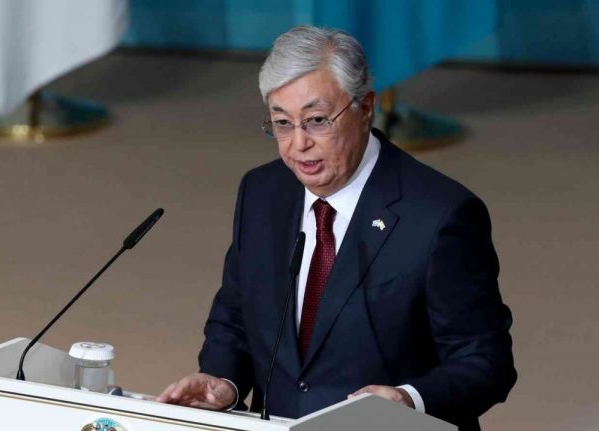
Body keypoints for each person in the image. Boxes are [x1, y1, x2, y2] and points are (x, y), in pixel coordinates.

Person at [157, 25, 516, 430]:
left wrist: (407, 399)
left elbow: (485, 362)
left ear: (365, 109)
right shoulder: (262, 192)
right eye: (282, 123)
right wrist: (225, 380)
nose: (298, 144)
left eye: (316, 120)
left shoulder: (441, 214)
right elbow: (236, 315)